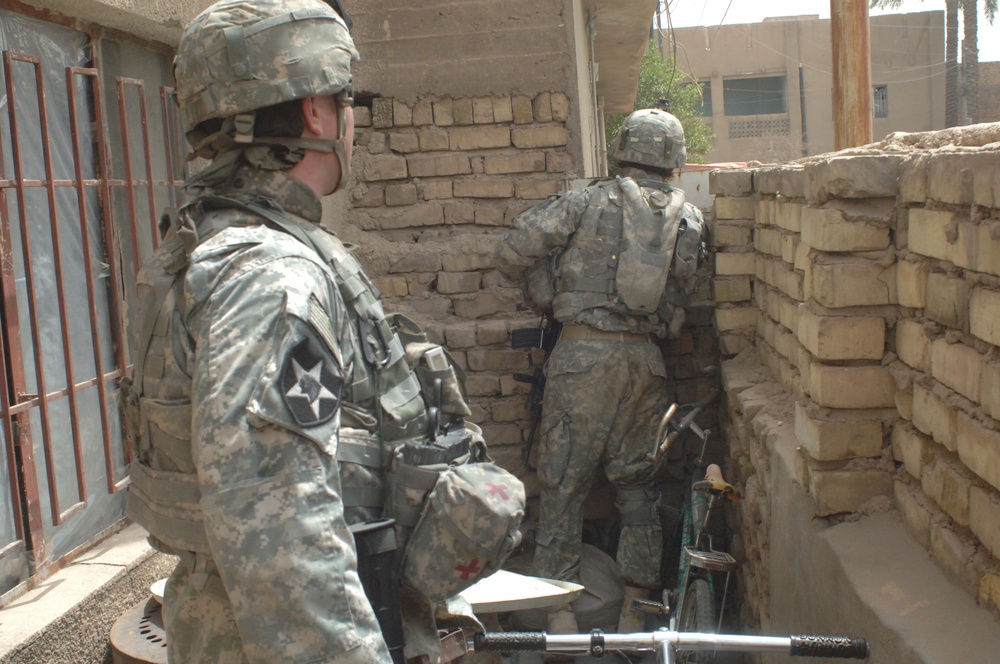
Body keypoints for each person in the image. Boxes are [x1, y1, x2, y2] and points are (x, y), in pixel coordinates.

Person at [121, 1, 439, 661]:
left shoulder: (215, 245)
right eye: (348, 101)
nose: (352, 124)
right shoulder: (271, 276)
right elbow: (278, 539)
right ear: (317, 112)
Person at [494, 107, 704, 635]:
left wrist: (547, 288)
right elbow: (680, 301)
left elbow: (512, 249)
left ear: (624, 150)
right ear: (674, 159)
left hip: (583, 358)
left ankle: (559, 620)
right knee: (638, 489)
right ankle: (637, 614)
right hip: (647, 364)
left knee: (563, 487)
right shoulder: (690, 219)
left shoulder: (587, 200)